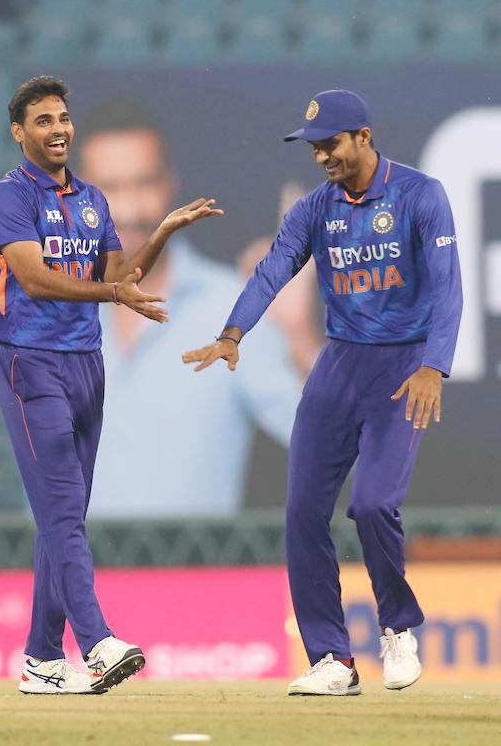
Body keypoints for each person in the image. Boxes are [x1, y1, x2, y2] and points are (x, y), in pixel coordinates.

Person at [183, 89, 463, 696]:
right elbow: (273, 270)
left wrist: (433, 366)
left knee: (371, 505)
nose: (321, 158)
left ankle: (398, 628)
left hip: (404, 366)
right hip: (338, 367)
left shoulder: (420, 194)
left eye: (330, 145)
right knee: (303, 511)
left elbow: (447, 287)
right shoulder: (315, 208)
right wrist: (232, 333)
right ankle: (332, 658)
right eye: (313, 149)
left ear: (363, 136)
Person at [0, 76, 221, 695]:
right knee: (63, 510)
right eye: (42, 121)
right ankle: (96, 643)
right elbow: (34, 280)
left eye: (63, 118)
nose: (57, 128)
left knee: (62, 514)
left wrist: (162, 232)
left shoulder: (90, 199)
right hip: (29, 361)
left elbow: (120, 271)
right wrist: (113, 292)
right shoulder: (7, 200)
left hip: (86, 363)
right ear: (19, 132)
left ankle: (40, 659)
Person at [76, 101, 314, 518]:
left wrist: (299, 335)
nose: (130, 209)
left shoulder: (230, 306)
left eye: (144, 184)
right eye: (109, 189)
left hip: (190, 579)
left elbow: (342, 446)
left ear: (171, 186)